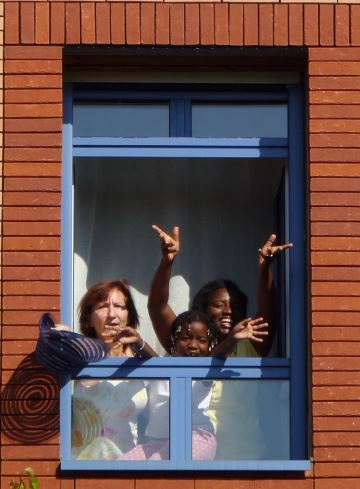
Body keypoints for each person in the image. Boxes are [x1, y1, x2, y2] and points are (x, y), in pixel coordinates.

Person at [147, 225, 292, 459]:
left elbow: (268, 311)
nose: (228, 311)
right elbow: (157, 307)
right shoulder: (189, 345)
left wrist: (265, 268)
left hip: (243, 456)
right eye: (219, 304)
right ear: (202, 310)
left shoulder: (249, 344)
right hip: (191, 456)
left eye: (235, 306)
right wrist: (167, 261)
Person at [63, 279, 156, 460]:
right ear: (89, 319)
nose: (112, 314)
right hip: (82, 466)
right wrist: (59, 336)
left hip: (128, 464)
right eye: (103, 307)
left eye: (119, 306)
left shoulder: (138, 359)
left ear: (129, 315)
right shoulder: (81, 355)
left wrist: (139, 344)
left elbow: (166, 374)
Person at [121, 310, 218, 460]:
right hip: (157, 441)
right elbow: (150, 356)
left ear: (210, 345)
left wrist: (232, 338)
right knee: (120, 468)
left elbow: (217, 358)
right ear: (174, 339)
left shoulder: (204, 372)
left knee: (155, 466)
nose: (193, 345)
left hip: (196, 437)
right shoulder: (161, 366)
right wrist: (138, 341)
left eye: (201, 340)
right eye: (186, 338)